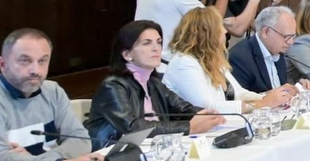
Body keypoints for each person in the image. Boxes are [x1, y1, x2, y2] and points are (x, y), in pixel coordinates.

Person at [0, 29, 107, 161]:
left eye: (42, 61)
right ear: (2, 65)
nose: (35, 70)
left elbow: (81, 140)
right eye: (25, 61)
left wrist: (40, 160)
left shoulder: (52, 91)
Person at [86, 21, 224, 147]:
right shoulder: (112, 86)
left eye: (158, 42)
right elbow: (133, 128)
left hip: (153, 149)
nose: (156, 48)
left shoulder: (153, 83)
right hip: (111, 157)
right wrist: (189, 127)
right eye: (147, 43)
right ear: (127, 54)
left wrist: (207, 115)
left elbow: (183, 109)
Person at [162, 5, 299, 115]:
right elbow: (208, 107)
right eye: (220, 27)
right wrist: (262, 103)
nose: (225, 31)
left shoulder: (213, 61)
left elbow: (239, 94)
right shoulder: (184, 63)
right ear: (207, 35)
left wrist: (274, 96)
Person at [228, 5, 310, 97]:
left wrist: (297, 87)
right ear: (266, 32)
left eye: (293, 36)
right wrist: (270, 96)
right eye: (286, 37)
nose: (291, 42)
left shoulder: (278, 51)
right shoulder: (239, 58)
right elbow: (240, 99)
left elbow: (279, 87)